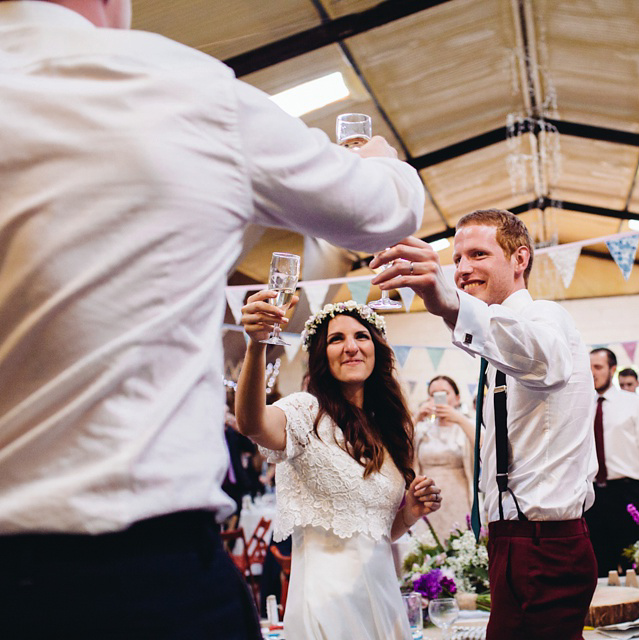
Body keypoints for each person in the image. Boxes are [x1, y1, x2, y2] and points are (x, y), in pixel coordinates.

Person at [0, 1, 424, 636]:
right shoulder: (177, 88)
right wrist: (381, 161)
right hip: (136, 566)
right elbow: (383, 212)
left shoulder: (385, 423)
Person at [371, 209, 598, 640]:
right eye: (456, 259)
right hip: (512, 542)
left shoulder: (547, 318)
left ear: (520, 260)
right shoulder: (494, 345)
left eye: (478, 254)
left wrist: (451, 305)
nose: (462, 268)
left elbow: (544, 360)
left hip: (544, 544)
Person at [235, 295, 441, 639]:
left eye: (361, 336)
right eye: (336, 339)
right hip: (325, 602)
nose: (351, 347)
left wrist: (410, 513)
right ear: (321, 355)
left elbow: (375, 531)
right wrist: (257, 347)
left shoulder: (387, 428)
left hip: (382, 597)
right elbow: (252, 422)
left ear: (376, 348)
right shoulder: (305, 411)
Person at [586, 348, 639, 575]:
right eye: (589, 367)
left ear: (612, 370)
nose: (592, 373)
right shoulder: (581, 405)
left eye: (598, 367)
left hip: (628, 492)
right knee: (599, 566)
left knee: (635, 564)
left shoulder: (634, 404)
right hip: (592, 496)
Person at [411, 374, 475, 542]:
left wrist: (458, 418)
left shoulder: (466, 426)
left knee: (459, 545)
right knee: (426, 547)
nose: (439, 398)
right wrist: (417, 418)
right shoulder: (423, 429)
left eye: (445, 393)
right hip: (426, 498)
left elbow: (485, 445)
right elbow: (398, 447)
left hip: (458, 497)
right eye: (433, 394)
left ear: (457, 397)